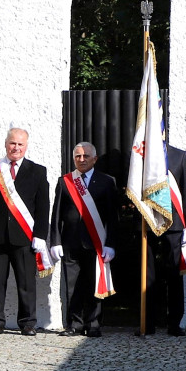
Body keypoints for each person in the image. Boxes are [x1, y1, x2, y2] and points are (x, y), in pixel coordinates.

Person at [0, 127, 50, 336]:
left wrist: (41, 235)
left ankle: (27, 323)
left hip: (25, 238)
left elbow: (43, 207)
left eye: (20, 144)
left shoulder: (38, 171)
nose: (16, 147)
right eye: (12, 143)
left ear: (26, 146)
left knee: (26, 283)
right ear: (6, 144)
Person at [49, 142, 118, 337]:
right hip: (71, 242)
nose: (82, 159)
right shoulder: (65, 182)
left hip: (96, 242)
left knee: (94, 283)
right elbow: (56, 215)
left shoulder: (107, 181)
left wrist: (111, 244)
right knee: (72, 285)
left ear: (94, 159)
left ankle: (94, 323)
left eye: (86, 156)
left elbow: (113, 218)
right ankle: (74, 324)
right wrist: (55, 241)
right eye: (78, 156)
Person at [142, 141, 186, 336]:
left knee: (173, 273)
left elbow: (185, 190)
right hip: (148, 220)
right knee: (148, 274)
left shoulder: (178, 155)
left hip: (174, 223)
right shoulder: (141, 153)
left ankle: (174, 323)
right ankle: (147, 322)